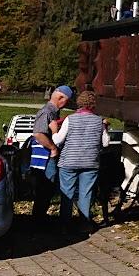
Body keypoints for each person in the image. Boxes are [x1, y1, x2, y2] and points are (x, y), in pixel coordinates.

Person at [54, 90, 109, 233]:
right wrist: (105, 129)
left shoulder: (70, 119)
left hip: (69, 161)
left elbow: (58, 140)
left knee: (67, 193)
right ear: (94, 104)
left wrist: (54, 131)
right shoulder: (99, 121)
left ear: (79, 103)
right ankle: (85, 224)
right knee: (86, 193)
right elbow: (105, 143)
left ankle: (64, 225)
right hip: (90, 162)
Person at [30, 84, 73, 223]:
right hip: (44, 158)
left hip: (46, 157)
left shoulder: (53, 112)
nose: (66, 104)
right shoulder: (47, 112)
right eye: (67, 101)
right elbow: (38, 134)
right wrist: (53, 148)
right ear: (60, 98)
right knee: (45, 188)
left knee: (46, 190)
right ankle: (38, 221)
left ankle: (40, 219)